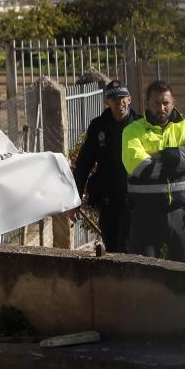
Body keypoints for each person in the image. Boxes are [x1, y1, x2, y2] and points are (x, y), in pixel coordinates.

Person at [122, 80, 185, 263]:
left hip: (180, 212)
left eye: (165, 103)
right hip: (146, 213)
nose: (161, 108)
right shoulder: (132, 131)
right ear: (146, 103)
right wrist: (181, 165)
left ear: (173, 102)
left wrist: (162, 156)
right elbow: (138, 166)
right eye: (156, 103)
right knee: (144, 274)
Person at [72, 80, 138, 252]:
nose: (119, 102)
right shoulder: (98, 126)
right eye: (114, 98)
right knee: (114, 247)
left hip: (135, 199)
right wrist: (75, 197)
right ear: (107, 102)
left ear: (129, 99)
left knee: (132, 247)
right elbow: (84, 164)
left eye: (122, 97)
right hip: (108, 200)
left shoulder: (140, 125)